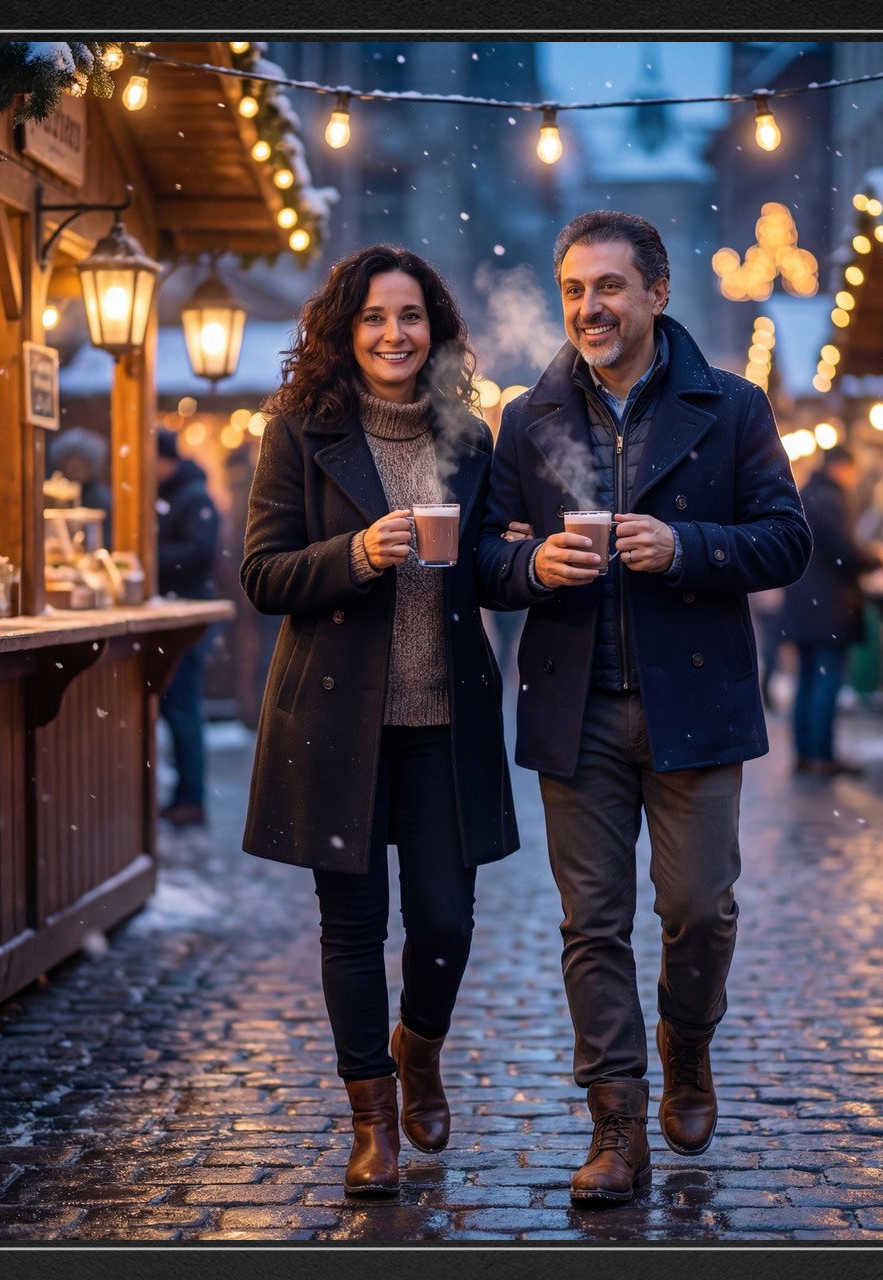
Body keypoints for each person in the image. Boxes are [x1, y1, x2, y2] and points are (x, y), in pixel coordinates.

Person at [479, 211, 810, 1206]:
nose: (591, 307)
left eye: (610, 287)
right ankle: (617, 1121)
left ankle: (688, 1040)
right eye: (576, 289)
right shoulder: (526, 418)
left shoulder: (734, 406)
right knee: (593, 921)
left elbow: (785, 541)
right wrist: (530, 562)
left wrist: (690, 547)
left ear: (657, 294)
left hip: (695, 703)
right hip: (574, 706)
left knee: (700, 906)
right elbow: (486, 561)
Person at [240, 245, 521, 1199]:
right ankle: (371, 1122)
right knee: (352, 925)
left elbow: (480, 566)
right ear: (344, 332)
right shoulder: (298, 432)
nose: (393, 335)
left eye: (410, 317)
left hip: (446, 719)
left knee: (445, 920)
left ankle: (419, 1048)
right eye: (373, 318)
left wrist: (519, 556)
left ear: (434, 331)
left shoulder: (470, 439)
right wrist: (355, 553)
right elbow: (263, 575)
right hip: (334, 719)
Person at [779, 446, 883, 777]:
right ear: (842, 467)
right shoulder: (829, 498)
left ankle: (805, 752)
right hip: (826, 607)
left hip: (804, 604)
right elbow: (844, 553)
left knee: (807, 679)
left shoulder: (806, 493)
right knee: (825, 679)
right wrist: (877, 558)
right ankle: (820, 754)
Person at [156, 427, 220, 829]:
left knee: (182, 708)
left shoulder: (192, 497)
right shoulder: (174, 496)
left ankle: (191, 798)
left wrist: (148, 554)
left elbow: (199, 553)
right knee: (178, 707)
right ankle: (185, 795)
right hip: (178, 614)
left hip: (188, 617)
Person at [50, 427, 115, 546]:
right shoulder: (52, 491)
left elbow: (106, 541)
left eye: (83, 465)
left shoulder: (102, 499)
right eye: (71, 463)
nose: (76, 470)